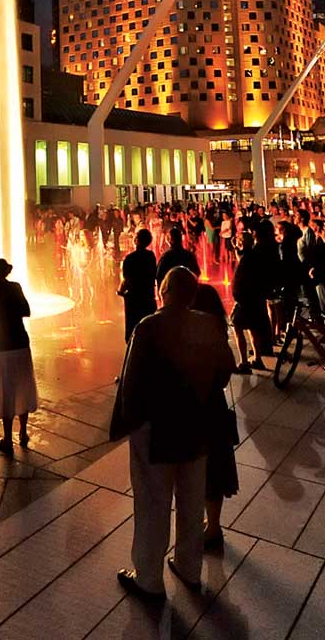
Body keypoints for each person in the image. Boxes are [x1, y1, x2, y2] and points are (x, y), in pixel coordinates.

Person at [112, 266, 235, 603]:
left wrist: (129, 423)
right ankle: (189, 567)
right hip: (197, 427)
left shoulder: (149, 326)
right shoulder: (208, 324)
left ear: (161, 292)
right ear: (193, 295)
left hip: (156, 428)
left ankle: (149, 579)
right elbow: (226, 368)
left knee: (153, 501)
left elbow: (131, 384)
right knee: (192, 500)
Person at [190, 281, 239, 553]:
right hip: (216, 408)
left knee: (200, 469)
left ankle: (207, 527)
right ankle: (214, 526)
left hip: (199, 410)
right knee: (215, 469)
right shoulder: (218, 333)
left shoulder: (194, 336)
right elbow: (227, 369)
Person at [0, 258, 38, 453]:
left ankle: (7, 438)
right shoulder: (16, 287)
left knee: (6, 388)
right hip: (21, 343)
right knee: (23, 384)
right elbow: (26, 310)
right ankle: (23, 432)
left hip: (3, 346)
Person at [230, 219, 279, 371]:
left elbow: (244, 276)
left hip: (246, 299)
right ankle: (257, 358)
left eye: (240, 241)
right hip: (254, 298)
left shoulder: (249, 258)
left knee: (237, 327)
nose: (238, 242)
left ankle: (244, 362)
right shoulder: (254, 254)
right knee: (253, 328)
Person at [118, 229, 158, 342]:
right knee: (148, 326)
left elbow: (126, 280)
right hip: (148, 296)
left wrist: (120, 291)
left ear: (136, 241)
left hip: (134, 299)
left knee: (133, 329)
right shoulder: (151, 256)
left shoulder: (129, 259)